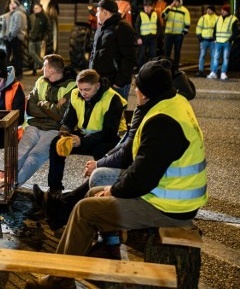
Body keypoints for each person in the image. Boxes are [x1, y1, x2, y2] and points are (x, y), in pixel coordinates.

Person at [26, 59, 207, 289]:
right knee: (93, 192)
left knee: (85, 210)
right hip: (169, 195)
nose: (134, 90)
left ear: (147, 92)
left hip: (169, 207)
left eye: (137, 86)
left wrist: (114, 190)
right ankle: (108, 252)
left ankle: (58, 281)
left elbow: (142, 177)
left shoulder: (162, 122)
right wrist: (111, 189)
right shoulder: (173, 102)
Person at [33, 57, 196, 232]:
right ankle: (57, 199)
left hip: (166, 195)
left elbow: (129, 155)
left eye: (138, 87)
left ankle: (67, 216)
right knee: (63, 149)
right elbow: (129, 144)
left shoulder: (158, 117)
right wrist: (66, 134)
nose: (135, 91)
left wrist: (105, 175)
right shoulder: (168, 105)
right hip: (162, 182)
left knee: (97, 178)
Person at [46, 69, 126, 194]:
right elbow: (68, 121)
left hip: (108, 139)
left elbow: (109, 132)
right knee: (56, 143)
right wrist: (64, 133)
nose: (83, 93)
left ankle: (96, 190)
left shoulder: (113, 99)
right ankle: (54, 189)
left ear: (97, 85)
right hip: (84, 136)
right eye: (80, 89)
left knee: (100, 150)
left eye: (87, 89)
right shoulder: (75, 94)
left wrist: (82, 142)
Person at [16, 54, 76, 187]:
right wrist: (52, 107)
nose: (42, 68)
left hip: (54, 129)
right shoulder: (40, 81)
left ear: (52, 70)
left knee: (35, 156)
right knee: (20, 152)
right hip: (35, 125)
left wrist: (42, 103)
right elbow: (31, 107)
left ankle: (13, 185)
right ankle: (6, 182)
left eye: (44, 66)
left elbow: (60, 116)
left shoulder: (71, 87)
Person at [88, 0, 138, 99]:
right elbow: (94, 53)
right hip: (100, 83)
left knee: (115, 114)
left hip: (115, 85)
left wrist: (119, 83)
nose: (96, 15)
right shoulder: (101, 30)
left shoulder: (123, 28)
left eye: (98, 11)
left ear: (105, 12)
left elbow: (130, 58)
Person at [208, 4, 239, 80]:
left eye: (224, 10)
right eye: (222, 10)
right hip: (218, 42)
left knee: (225, 58)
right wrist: (214, 38)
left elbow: (236, 32)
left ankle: (223, 73)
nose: (222, 11)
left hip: (226, 43)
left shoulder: (233, 19)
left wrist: (229, 40)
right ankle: (214, 73)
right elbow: (215, 29)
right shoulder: (218, 18)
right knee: (216, 57)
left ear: (228, 12)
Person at [162, 0, 191, 70]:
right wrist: (169, 9)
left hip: (178, 35)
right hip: (168, 33)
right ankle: (166, 67)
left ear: (180, 2)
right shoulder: (169, 8)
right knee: (167, 51)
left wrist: (183, 33)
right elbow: (163, 16)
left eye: (177, 1)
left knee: (177, 51)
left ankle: (175, 68)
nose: (175, 2)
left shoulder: (185, 11)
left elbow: (187, 23)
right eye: (174, 1)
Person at [4, 0, 27, 79]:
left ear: (16, 4)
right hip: (18, 37)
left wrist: (11, 36)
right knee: (18, 56)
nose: (11, 5)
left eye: (12, 3)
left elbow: (17, 27)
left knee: (16, 56)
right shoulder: (21, 12)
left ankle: (18, 74)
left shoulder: (17, 13)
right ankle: (18, 73)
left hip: (15, 37)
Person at [27, 3, 50, 76]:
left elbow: (47, 28)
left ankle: (34, 70)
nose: (34, 9)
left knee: (37, 53)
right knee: (31, 52)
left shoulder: (44, 17)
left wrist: (43, 37)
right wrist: (29, 34)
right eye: (34, 8)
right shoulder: (31, 16)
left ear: (40, 8)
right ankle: (42, 64)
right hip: (32, 38)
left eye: (36, 8)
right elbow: (28, 26)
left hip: (39, 39)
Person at [134, 2, 158, 68]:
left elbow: (159, 26)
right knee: (142, 54)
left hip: (152, 38)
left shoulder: (155, 14)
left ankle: (152, 68)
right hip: (143, 38)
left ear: (151, 7)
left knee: (153, 54)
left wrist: (157, 35)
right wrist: (138, 38)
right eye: (145, 7)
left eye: (148, 7)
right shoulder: (141, 15)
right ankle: (141, 69)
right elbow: (137, 27)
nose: (147, 8)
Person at [196, 5, 217, 77]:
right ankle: (200, 70)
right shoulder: (203, 18)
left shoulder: (217, 18)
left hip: (212, 41)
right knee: (202, 55)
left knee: (213, 56)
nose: (208, 11)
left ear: (213, 11)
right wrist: (199, 36)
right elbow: (199, 27)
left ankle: (212, 71)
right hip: (204, 39)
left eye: (210, 9)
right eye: (207, 9)